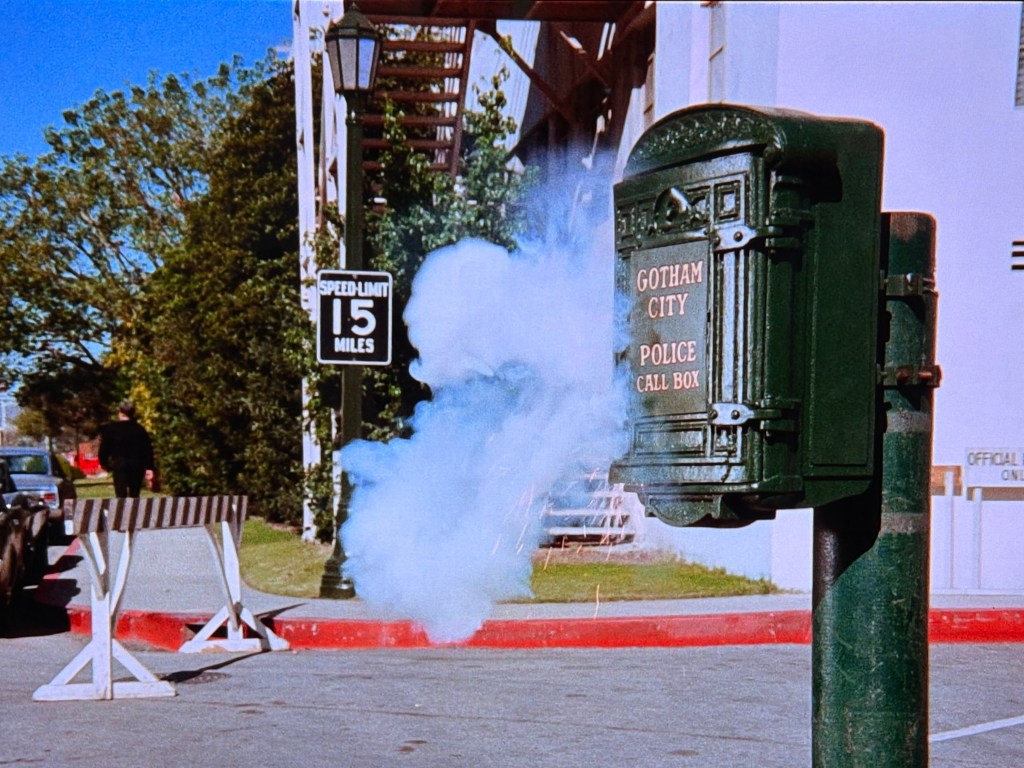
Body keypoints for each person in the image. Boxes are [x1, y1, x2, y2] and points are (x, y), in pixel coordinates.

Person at [98, 401, 155, 498]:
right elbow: (147, 449)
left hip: (120, 463)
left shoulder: (112, 429)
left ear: (120, 412)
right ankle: (134, 511)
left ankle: (121, 511)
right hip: (137, 464)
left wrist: (104, 463)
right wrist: (149, 467)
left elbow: (104, 448)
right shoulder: (140, 429)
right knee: (135, 493)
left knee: (120, 493)